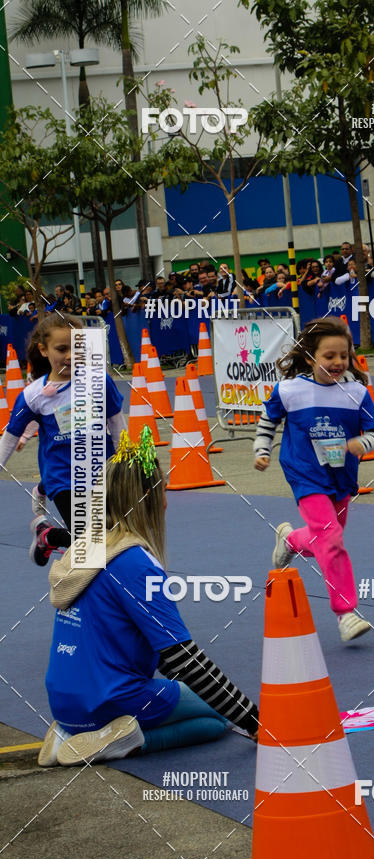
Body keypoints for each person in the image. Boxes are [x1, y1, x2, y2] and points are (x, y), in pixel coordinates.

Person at [38, 427, 259, 767]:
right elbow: (183, 659)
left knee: (213, 714)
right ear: (147, 497)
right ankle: (125, 739)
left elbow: (165, 656)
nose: (167, 501)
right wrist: (254, 719)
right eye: (163, 491)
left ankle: (71, 734)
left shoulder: (84, 549)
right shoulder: (135, 563)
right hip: (108, 699)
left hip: (63, 701)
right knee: (219, 718)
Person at [253, 317, 374, 643]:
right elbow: (268, 420)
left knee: (325, 539)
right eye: (329, 356)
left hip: (341, 475)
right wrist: (261, 449)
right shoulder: (289, 390)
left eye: (344, 355)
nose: (338, 362)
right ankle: (346, 613)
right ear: (310, 356)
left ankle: (291, 540)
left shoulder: (357, 392)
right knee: (331, 539)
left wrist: (360, 444)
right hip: (304, 472)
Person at [0, 313, 125, 566]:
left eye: (77, 347)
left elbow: (117, 423)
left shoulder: (100, 382)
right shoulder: (33, 395)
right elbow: (11, 434)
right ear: (43, 350)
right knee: (90, 543)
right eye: (61, 349)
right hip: (63, 477)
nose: (70, 355)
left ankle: (48, 536)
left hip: (103, 470)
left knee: (108, 539)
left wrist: (127, 463)